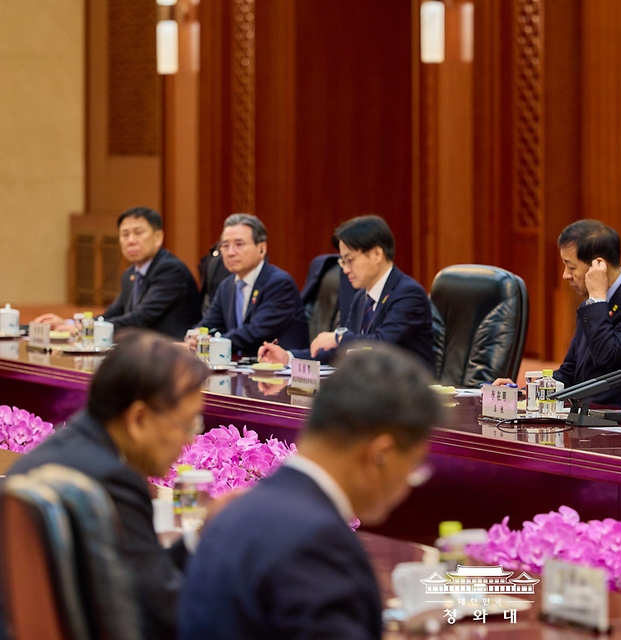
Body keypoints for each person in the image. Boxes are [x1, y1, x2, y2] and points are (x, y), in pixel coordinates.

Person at [179, 344, 443, 640]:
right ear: (380, 454)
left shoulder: (232, 511)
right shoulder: (320, 545)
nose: (409, 484)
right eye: (414, 466)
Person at [6, 331, 209, 640]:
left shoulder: (68, 447)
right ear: (139, 418)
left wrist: (197, 535)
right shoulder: (108, 481)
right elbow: (170, 615)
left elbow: (144, 578)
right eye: (187, 424)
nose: (190, 440)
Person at [494, 219, 621, 409]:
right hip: (590, 420)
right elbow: (570, 372)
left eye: (571, 267)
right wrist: (524, 391)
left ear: (598, 265)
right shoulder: (593, 305)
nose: (565, 275)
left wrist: (596, 299)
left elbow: (607, 357)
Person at [258, 215, 433, 367]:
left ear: (377, 254)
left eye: (349, 260)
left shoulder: (408, 294)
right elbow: (339, 351)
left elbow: (382, 344)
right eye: (342, 262)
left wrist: (338, 338)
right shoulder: (361, 298)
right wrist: (289, 357)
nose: (346, 269)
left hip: (410, 395)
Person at [33, 207, 201, 339]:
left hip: (172, 355)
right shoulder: (130, 275)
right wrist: (72, 323)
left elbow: (141, 319)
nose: (131, 241)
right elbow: (113, 314)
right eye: (124, 234)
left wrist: (82, 329)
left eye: (138, 233)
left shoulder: (170, 270)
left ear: (158, 237)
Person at [193, 214, 309, 356]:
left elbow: (255, 332)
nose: (230, 253)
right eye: (225, 246)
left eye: (239, 245)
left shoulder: (279, 283)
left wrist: (208, 344)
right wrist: (196, 336)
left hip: (279, 371)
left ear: (261, 249)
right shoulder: (227, 286)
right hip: (241, 368)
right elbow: (211, 323)